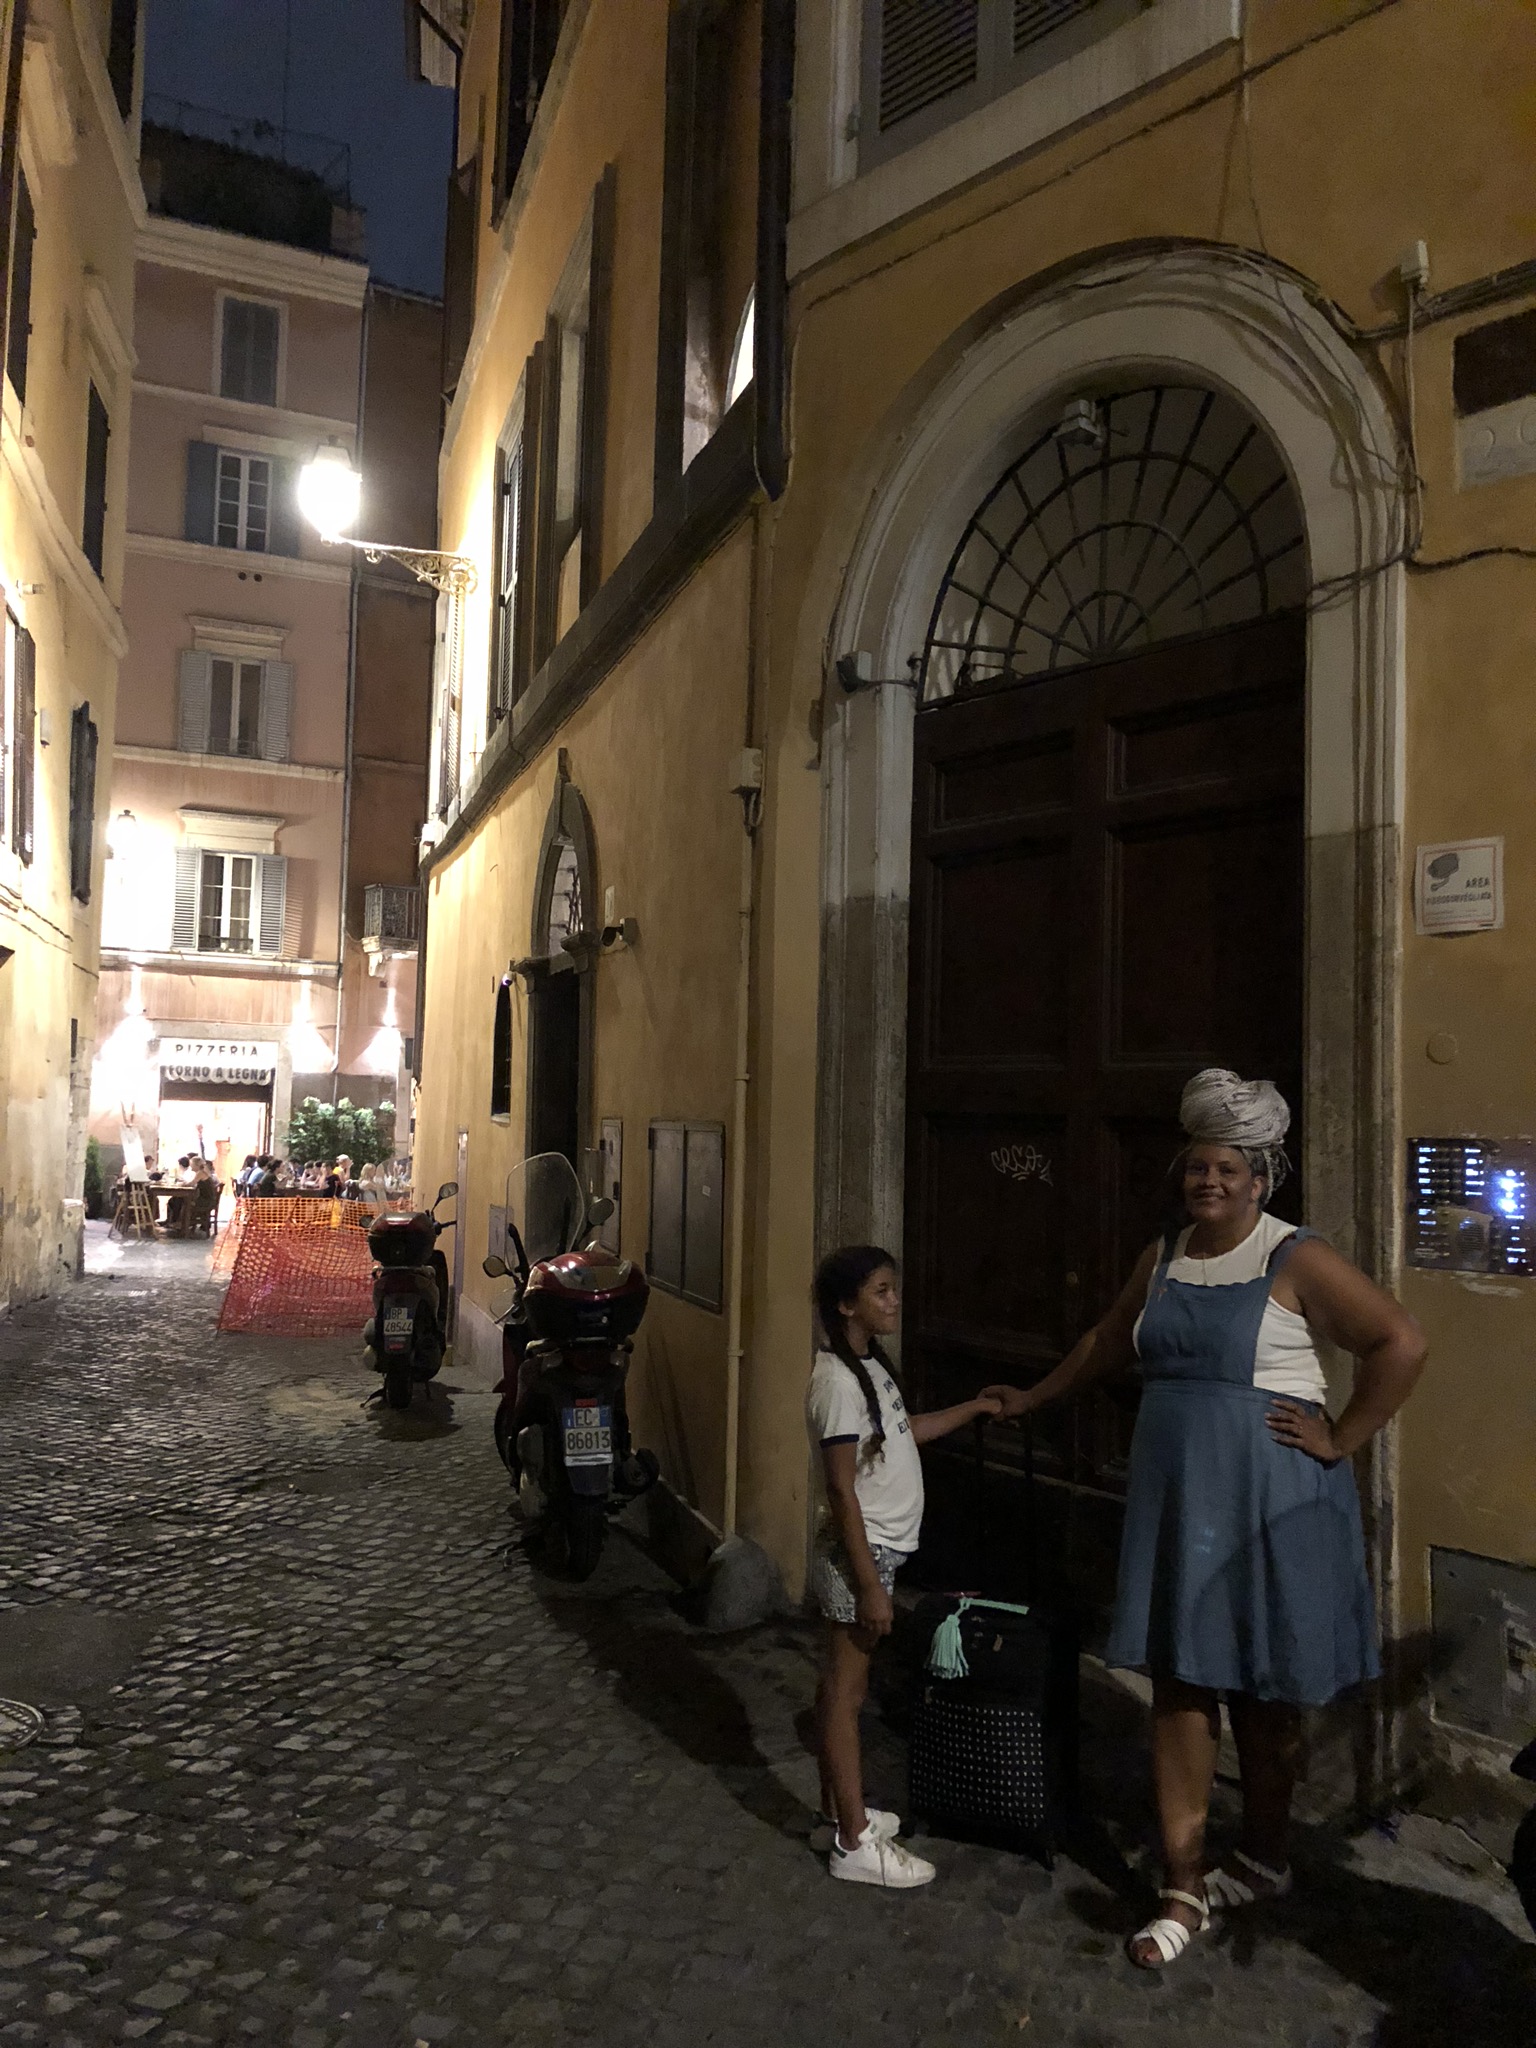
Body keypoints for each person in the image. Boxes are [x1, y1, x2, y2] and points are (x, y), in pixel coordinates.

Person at [984, 1069, 1426, 1968]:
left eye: (1228, 1169)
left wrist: (1342, 1436)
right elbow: (1110, 1339)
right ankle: (1184, 1885)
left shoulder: (1295, 1257)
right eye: (1198, 1167)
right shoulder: (1165, 1253)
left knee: (1263, 1690)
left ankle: (1263, 1854)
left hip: (1269, 1497)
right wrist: (1036, 1396)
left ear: (1262, 1179)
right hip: (1183, 1496)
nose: (1209, 1181)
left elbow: (1401, 1342)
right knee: (1182, 1683)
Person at [807, 1244, 1004, 1890]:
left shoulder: (868, 1367)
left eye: (893, 1289)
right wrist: (870, 1585)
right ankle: (853, 1841)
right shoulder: (837, 1383)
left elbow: (903, 1431)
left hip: (880, 1550)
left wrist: (972, 1409)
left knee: (840, 1688)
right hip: (861, 1555)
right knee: (847, 1696)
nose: (894, 1302)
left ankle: (838, 1810)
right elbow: (841, 1491)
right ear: (846, 1305)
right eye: (881, 1292)